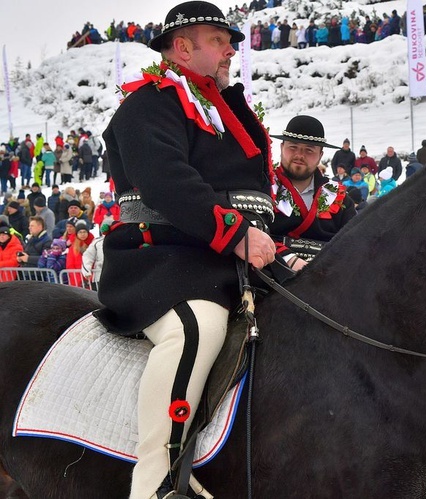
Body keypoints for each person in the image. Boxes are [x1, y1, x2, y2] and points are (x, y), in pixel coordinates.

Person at [95, 2, 278, 497]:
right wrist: (236, 233)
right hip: (161, 262)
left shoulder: (221, 109)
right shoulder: (150, 103)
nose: (231, 49)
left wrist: (276, 246)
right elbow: (164, 181)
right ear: (182, 47)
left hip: (225, 263)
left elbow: (253, 191)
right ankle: (157, 481)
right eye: (219, 40)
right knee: (196, 328)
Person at [269, 115, 355, 267]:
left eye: (309, 150)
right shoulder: (264, 187)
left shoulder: (340, 199)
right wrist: (288, 259)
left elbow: (353, 245)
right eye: (293, 147)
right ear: (282, 148)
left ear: (320, 155)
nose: (299, 155)